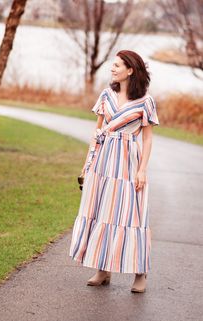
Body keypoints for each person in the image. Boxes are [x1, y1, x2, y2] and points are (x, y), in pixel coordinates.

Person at [69, 50, 159, 293]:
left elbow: (148, 139)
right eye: (113, 65)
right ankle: (103, 269)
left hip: (129, 163)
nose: (112, 68)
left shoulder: (145, 101)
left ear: (130, 70)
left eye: (117, 65)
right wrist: (87, 165)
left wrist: (142, 170)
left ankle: (140, 273)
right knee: (101, 212)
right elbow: (97, 133)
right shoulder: (106, 95)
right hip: (102, 162)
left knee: (131, 215)